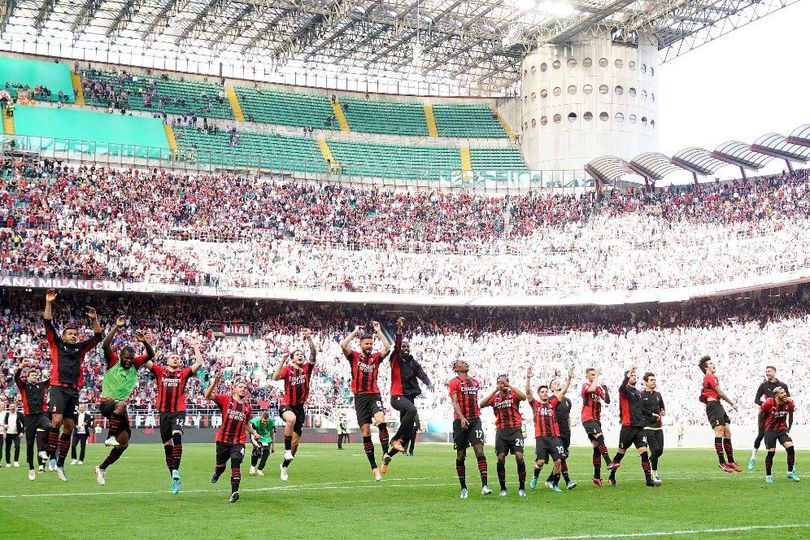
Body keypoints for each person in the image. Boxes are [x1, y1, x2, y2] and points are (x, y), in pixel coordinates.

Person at [43, 289, 103, 481]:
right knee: (57, 421)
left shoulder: (80, 349)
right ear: (64, 335)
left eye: (75, 333)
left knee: (69, 426)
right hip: (58, 387)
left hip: (73, 391)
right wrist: (49, 303)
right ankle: (51, 456)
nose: (74, 336)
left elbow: (97, 338)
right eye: (70, 333)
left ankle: (60, 463)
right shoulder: (56, 344)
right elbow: (47, 322)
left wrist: (94, 319)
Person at [93, 316, 154, 486]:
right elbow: (104, 345)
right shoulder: (113, 361)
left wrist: (144, 342)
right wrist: (116, 327)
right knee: (120, 404)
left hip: (119, 410)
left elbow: (151, 354)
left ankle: (102, 468)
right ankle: (110, 436)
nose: (128, 361)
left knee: (124, 442)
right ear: (120, 356)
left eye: (130, 358)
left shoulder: (135, 364)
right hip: (107, 403)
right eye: (125, 358)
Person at [147, 335, 203, 494]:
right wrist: (147, 343)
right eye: (173, 357)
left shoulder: (183, 374)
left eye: (178, 358)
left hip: (178, 411)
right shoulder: (159, 371)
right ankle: (174, 477)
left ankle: (176, 471)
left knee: (177, 435)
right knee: (167, 447)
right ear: (167, 361)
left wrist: (195, 345)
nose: (176, 359)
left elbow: (199, 363)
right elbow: (145, 361)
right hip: (163, 413)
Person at [339, 322, 391, 481]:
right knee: (366, 433)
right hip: (360, 398)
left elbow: (388, 348)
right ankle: (374, 467)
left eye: (371, 344)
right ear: (361, 344)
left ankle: (385, 453)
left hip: (374, 395)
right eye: (366, 344)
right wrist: (355, 332)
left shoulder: (376, 358)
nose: (369, 346)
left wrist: (379, 332)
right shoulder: (353, 356)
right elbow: (342, 344)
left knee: (381, 420)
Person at [382, 318, 432, 474]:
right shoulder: (395, 359)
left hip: (408, 398)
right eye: (403, 346)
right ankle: (394, 438)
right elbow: (396, 345)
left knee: (408, 435)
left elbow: (421, 373)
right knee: (412, 411)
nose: (405, 348)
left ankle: (388, 457)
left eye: (407, 346)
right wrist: (399, 329)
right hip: (397, 397)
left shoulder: (413, 362)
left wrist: (429, 382)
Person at [204, 372, 260, 503]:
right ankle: (217, 473)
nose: (243, 389)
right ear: (234, 389)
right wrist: (215, 382)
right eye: (240, 387)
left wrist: (253, 432)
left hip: (238, 441)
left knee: (236, 464)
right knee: (221, 465)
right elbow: (207, 395)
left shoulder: (248, 408)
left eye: (245, 388)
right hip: (223, 440)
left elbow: (245, 423)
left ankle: (234, 492)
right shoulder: (225, 399)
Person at [273, 328, 317, 482]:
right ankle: (285, 451)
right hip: (287, 405)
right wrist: (282, 360)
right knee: (290, 420)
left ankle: (284, 466)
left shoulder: (306, 369)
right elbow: (275, 377)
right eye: (297, 354)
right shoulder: (288, 369)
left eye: (301, 354)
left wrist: (309, 338)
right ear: (292, 358)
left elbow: (313, 354)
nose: (300, 356)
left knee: (296, 443)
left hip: (300, 408)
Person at [607, 367, 659, 487]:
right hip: (628, 427)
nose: (634, 377)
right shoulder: (624, 390)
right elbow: (621, 387)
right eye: (632, 375)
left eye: (635, 376)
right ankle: (612, 476)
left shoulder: (637, 393)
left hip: (639, 427)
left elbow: (640, 409)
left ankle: (648, 480)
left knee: (644, 453)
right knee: (620, 453)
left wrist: (652, 414)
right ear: (627, 378)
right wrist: (627, 375)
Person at [448, 360, 491, 498]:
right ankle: (463, 488)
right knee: (461, 455)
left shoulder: (475, 382)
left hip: (475, 421)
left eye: (466, 362)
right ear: (456, 368)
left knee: (480, 452)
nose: (466, 363)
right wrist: (461, 418)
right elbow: (454, 402)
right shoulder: (454, 382)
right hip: (460, 421)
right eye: (461, 363)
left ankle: (484, 485)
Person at [526, 367, 573, 493]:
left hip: (553, 437)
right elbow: (527, 392)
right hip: (541, 437)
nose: (545, 393)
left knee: (558, 461)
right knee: (540, 462)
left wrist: (569, 378)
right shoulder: (535, 405)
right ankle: (535, 476)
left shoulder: (553, 403)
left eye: (546, 391)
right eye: (542, 392)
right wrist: (528, 378)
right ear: (539, 394)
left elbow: (562, 392)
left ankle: (556, 485)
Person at [480, 374, 527, 497]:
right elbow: (481, 404)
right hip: (501, 431)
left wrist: (509, 385)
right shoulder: (495, 398)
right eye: (500, 382)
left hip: (515, 429)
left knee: (519, 456)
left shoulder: (514, 394)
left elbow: (524, 397)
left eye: (504, 382)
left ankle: (522, 488)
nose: (502, 384)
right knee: (500, 457)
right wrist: (495, 390)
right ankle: (503, 488)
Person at [698, 355, 740, 473]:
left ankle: (730, 461)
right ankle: (722, 462)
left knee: (727, 432)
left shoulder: (713, 377)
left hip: (717, 405)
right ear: (706, 368)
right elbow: (719, 392)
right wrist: (732, 403)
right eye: (710, 364)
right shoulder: (709, 377)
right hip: (714, 406)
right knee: (719, 432)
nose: (713, 365)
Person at [14, 362, 50, 480]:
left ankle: (42, 450)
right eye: (33, 375)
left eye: (36, 375)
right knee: (29, 445)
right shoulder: (23, 386)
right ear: (28, 377)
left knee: (48, 426)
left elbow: (53, 378)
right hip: (29, 418)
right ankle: (31, 467)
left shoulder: (42, 385)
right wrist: (21, 367)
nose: (35, 376)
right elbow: (16, 378)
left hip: (41, 415)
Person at [749, 366, 790, 471]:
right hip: (766, 414)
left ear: (775, 372)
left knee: (785, 437)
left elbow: (788, 398)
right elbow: (756, 399)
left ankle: (791, 465)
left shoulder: (783, 385)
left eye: (769, 371)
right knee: (760, 435)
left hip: (778, 415)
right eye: (766, 371)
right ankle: (753, 457)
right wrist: (767, 405)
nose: (767, 373)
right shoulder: (763, 385)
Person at [759, 387, 799, 483]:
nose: (785, 394)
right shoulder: (769, 402)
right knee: (771, 453)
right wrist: (760, 428)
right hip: (770, 430)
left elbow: (791, 415)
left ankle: (790, 473)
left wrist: (789, 428)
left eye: (784, 392)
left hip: (782, 430)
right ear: (777, 395)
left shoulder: (789, 403)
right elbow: (760, 413)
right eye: (782, 393)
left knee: (791, 449)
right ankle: (768, 475)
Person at [581, 368, 612, 487]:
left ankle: (597, 476)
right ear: (587, 376)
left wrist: (606, 390)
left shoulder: (598, 389)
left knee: (596, 447)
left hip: (597, 420)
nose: (594, 376)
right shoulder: (585, 386)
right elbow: (592, 389)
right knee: (600, 438)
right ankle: (609, 462)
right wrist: (598, 376)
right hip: (588, 418)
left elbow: (607, 401)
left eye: (595, 374)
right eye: (592, 375)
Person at [546, 375, 576, 490]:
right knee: (561, 456)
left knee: (562, 457)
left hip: (565, 432)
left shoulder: (567, 401)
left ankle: (549, 479)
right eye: (554, 383)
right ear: (551, 388)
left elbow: (568, 417)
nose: (557, 384)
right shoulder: (550, 400)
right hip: (555, 432)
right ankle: (568, 481)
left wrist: (569, 430)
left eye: (558, 382)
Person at [641, 372, 665, 483]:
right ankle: (654, 474)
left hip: (658, 427)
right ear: (646, 382)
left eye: (654, 380)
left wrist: (663, 411)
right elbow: (640, 410)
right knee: (654, 450)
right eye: (651, 380)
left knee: (660, 451)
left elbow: (662, 406)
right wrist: (652, 415)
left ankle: (651, 459)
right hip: (647, 426)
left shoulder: (658, 394)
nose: (653, 382)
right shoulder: (641, 395)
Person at [249, 411, 276, 476]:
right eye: (264, 421)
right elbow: (253, 436)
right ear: (261, 418)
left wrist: (273, 446)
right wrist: (256, 444)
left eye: (266, 421)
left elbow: (272, 433)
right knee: (256, 452)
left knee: (266, 453)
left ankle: (260, 470)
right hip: (257, 436)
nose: (265, 423)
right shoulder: (255, 422)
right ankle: (252, 466)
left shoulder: (271, 422)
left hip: (266, 438)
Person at [1, 403, 23, 468]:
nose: (12, 408)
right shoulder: (7, 414)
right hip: (8, 434)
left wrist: (22, 432)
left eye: (14, 406)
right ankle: (8, 462)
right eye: (11, 406)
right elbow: (5, 424)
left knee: (17, 446)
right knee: (7, 448)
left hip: (16, 434)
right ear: (9, 407)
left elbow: (23, 424)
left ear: (16, 407)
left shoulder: (19, 414)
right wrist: (4, 433)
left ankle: (16, 461)